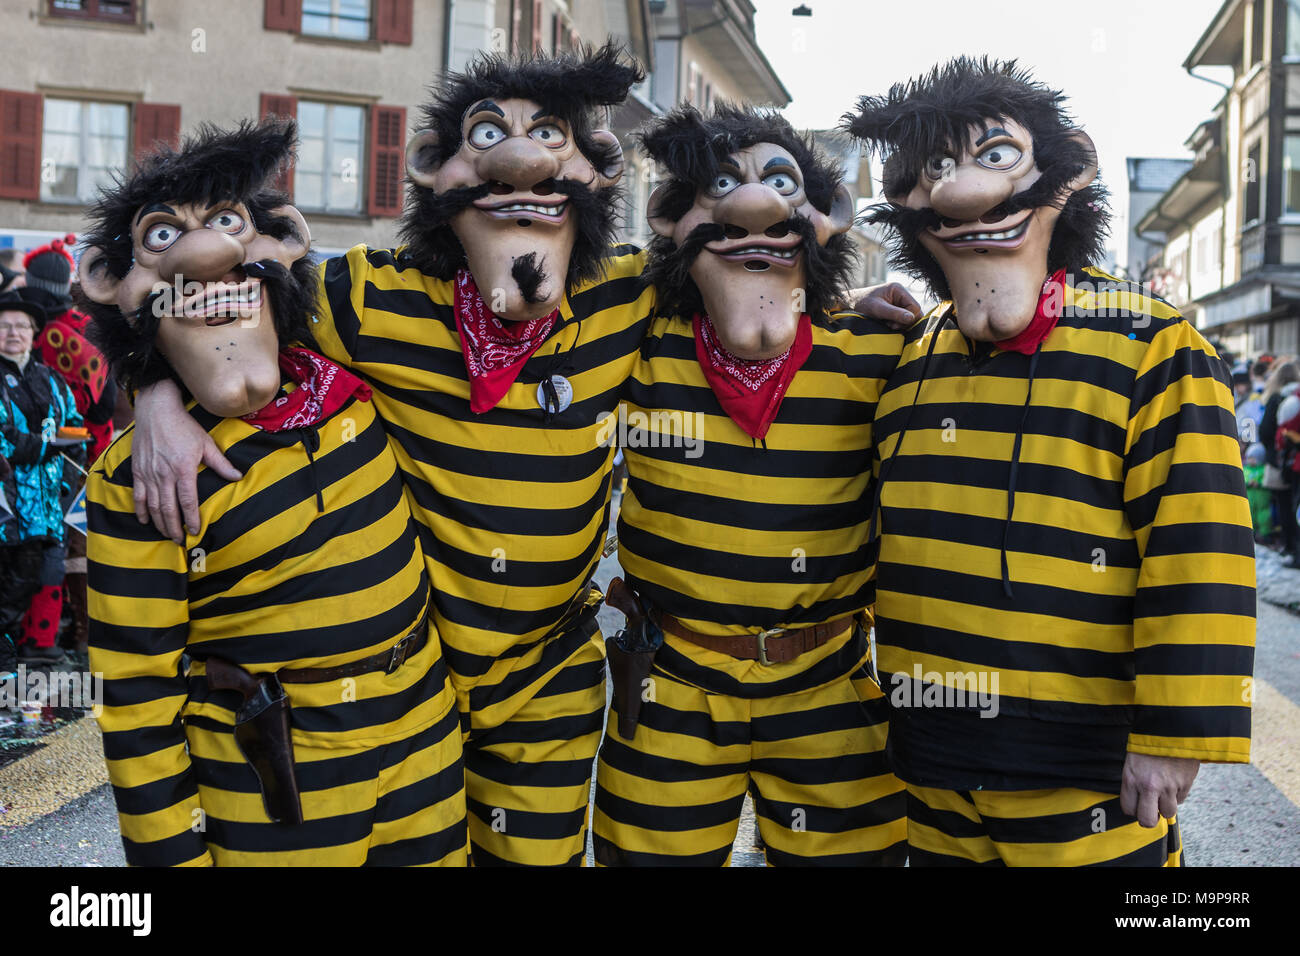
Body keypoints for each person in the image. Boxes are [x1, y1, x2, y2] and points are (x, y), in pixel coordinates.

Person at [846, 57, 1256, 866]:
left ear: (1067, 171)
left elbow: (1200, 549)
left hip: (1084, 771)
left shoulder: (1153, 345)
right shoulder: (910, 356)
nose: (962, 193)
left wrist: (1175, 734)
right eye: (935, 168)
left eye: (992, 156)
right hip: (930, 759)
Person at [78, 120, 467, 866]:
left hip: (426, 745)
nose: (208, 256)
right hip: (272, 777)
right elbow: (135, 697)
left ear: (280, 243)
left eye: (229, 225)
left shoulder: (358, 390)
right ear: (110, 281)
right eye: (165, 239)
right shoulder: (141, 473)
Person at [591, 104, 907, 866]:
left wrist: (844, 300)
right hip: (672, 680)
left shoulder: (875, 350)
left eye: (778, 184)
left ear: (822, 219)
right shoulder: (640, 342)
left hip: (829, 681)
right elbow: (565, 291)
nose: (753, 205)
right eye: (721, 186)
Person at [0, 290, 82, 667]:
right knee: (12, 575)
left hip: (51, 498)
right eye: (3, 327)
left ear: (34, 334)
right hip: (8, 500)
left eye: (20, 326)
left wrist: (65, 477)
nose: (12, 333)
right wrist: (49, 445)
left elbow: (76, 429)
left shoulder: (51, 378)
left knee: (51, 566)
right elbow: (6, 438)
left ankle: (40, 642)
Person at [1259, 360, 1300, 565]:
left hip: (1282, 460)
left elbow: (1266, 431)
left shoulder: (1277, 398)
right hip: (1293, 460)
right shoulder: (1295, 397)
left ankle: (1291, 547)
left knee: (1286, 505)